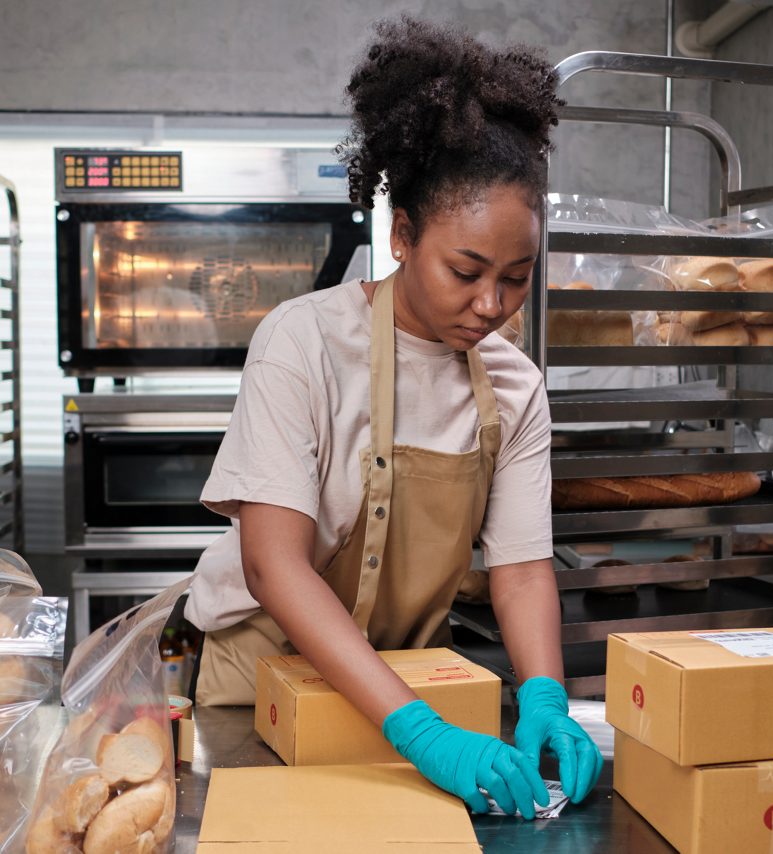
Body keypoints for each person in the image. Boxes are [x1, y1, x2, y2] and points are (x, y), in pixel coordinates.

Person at [181, 16, 603, 819]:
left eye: (516, 278)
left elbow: (517, 567)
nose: (491, 305)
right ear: (401, 234)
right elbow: (276, 565)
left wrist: (546, 696)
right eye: (467, 270)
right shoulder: (301, 343)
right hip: (264, 684)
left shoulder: (515, 387)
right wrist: (423, 735)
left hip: (413, 682)